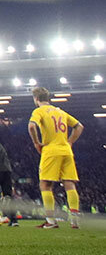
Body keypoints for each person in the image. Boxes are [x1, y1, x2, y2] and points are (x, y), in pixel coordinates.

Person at [28, 86, 84, 229]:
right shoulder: (60, 112)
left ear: (36, 99)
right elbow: (79, 127)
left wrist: (36, 143)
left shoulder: (39, 111)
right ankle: (75, 219)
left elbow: (31, 127)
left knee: (45, 185)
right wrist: (70, 141)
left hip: (51, 150)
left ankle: (51, 221)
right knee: (69, 183)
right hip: (66, 150)